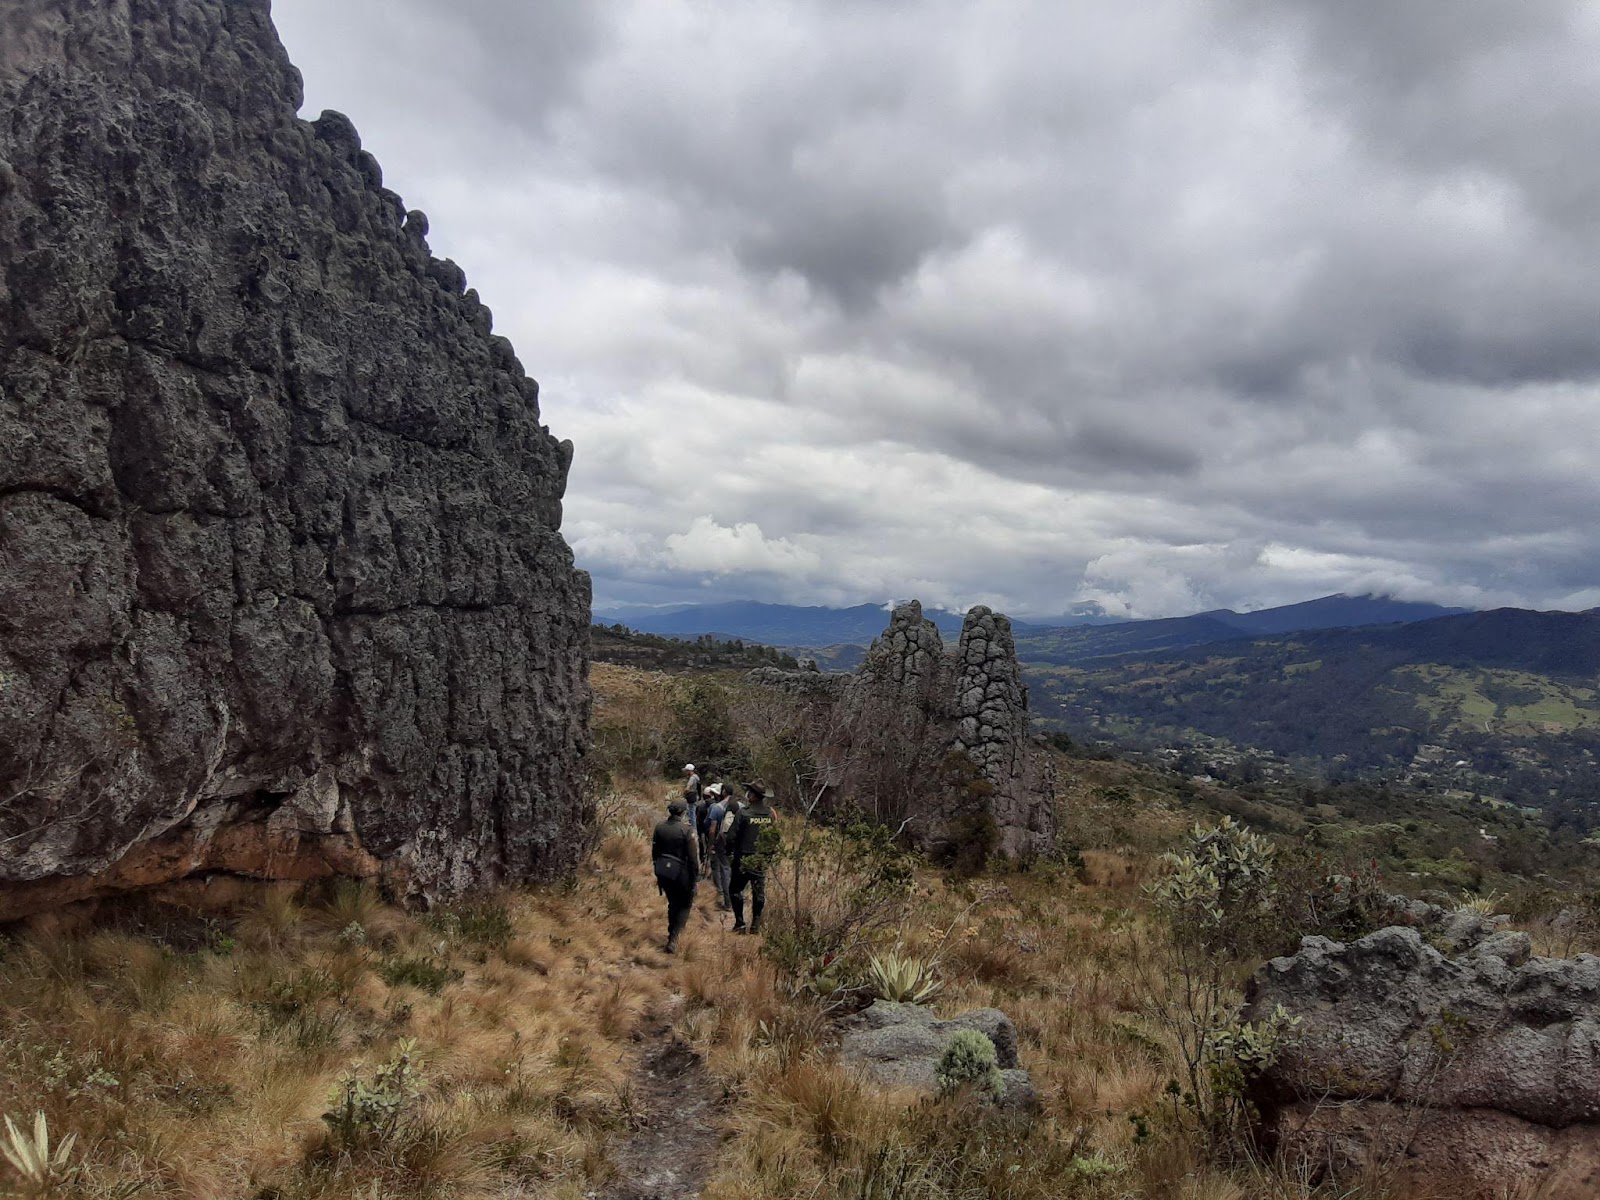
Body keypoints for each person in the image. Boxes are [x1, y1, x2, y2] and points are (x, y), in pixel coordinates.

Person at [728, 780, 778, 935]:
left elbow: (731, 837)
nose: (747, 794)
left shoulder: (743, 813)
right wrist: (768, 857)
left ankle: (740, 923)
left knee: (735, 890)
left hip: (742, 859)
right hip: (760, 861)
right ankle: (756, 923)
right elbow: (774, 838)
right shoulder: (770, 814)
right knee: (758, 892)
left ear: (754, 795)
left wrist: (730, 853)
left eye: (749, 791)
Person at [651, 799, 699, 953]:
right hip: (681, 874)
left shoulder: (660, 827)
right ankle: (674, 937)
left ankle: (671, 931)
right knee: (685, 904)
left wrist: (658, 869)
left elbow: (655, 852)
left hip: (664, 873)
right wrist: (695, 879)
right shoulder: (687, 830)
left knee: (672, 903)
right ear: (683, 812)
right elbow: (693, 859)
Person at [704, 785, 732, 908]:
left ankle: (725, 898)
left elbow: (711, 829)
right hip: (735, 844)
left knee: (722, 869)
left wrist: (711, 845)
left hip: (720, 843)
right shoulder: (740, 806)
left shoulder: (716, 808)